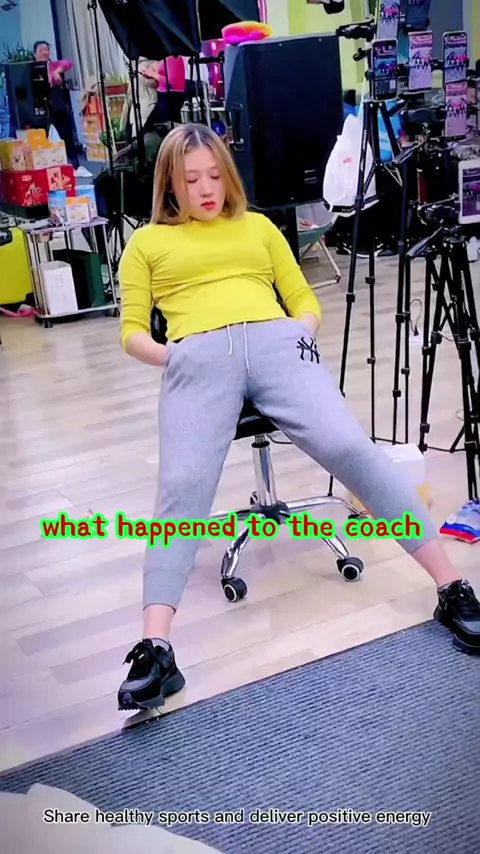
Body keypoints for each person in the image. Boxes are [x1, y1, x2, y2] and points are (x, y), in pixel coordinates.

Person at [117, 123, 480, 712]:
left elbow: (304, 298)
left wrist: (298, 335)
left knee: (352, 449)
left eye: (214, 175)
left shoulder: (259, 227)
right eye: (190, 179)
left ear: (228, 177)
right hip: (197, 356)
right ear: (170, 186)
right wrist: (172, 357)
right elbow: (132, 331)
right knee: (181, 485)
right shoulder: (147, 244)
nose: (205, 189)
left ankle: (452, 586)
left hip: (278, 345)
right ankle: (156, 647)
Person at [33, 40, 91, 177]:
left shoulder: (54, 65)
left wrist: (57, 71)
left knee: (67, 137)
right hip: (41, 108)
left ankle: (76, 166)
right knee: (42, 140)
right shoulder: (32, 69)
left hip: (58, 106)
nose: (44, 52)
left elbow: (68, 63)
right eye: (41, 50)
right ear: (35, 54)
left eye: (46, 49)